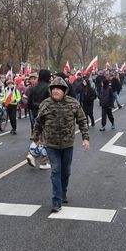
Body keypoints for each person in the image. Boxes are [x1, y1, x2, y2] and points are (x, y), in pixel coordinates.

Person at [32, 77, 89, 212]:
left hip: (68, 143)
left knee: (66, 171)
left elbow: (82, 120)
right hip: (51, 144)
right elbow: (38, 122)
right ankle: (56, 201)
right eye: (53, 88)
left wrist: (85, 138)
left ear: (64, 90)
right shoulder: (45, 104)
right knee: (56, 170)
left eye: (59, 88)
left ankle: (63, 192)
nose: (56, 91)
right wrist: (36, 137)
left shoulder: (73, 103)